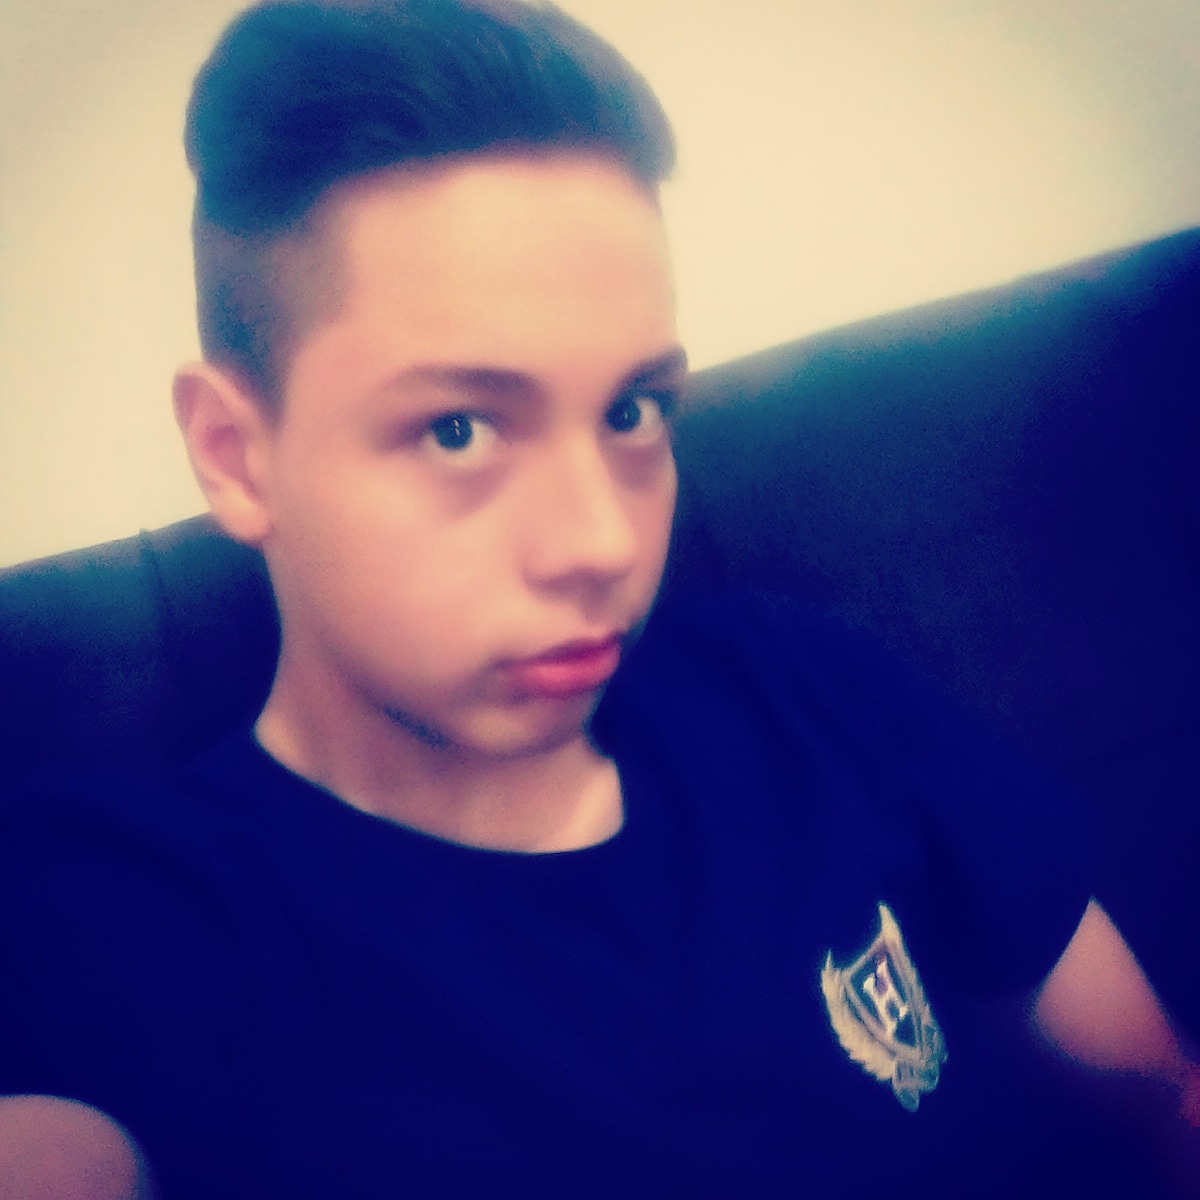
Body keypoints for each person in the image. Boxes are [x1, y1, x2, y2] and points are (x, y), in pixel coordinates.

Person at [1, 2, 1196, 1196]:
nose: (604, 540)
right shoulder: (109, 918)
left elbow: (1158, 1100)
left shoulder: (804, 689)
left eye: (632, 411)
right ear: (236, 456)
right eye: (458, 429)